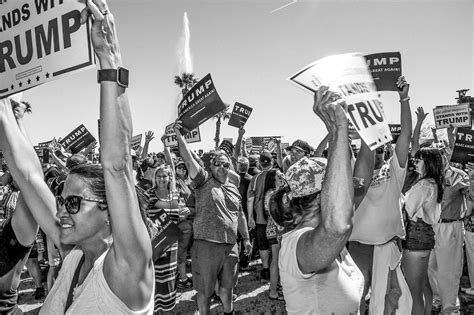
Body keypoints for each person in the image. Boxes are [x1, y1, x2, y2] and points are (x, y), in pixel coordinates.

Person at [0, 1, 155, 313]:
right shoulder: (72, 255)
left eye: (73, 202)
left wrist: (109, 57)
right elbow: (28, 176)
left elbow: (117, 165)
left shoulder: (126, 270)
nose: (60, 210)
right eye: (62, 199)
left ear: (110, 211)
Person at [269, 87, 364, 314]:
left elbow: (363, 179)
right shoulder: (296, 245)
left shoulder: (320, 231)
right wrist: (339, 129)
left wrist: (334, 131)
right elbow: (338, 227)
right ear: (323, 196)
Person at [347, 76, 413, 314]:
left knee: (391, 299)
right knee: (356, 299)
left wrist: (403, 98)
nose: (380, 150)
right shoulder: (356, 167)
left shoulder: (394, 169)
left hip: (388, 246)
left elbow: (405, 135)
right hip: (357, 247)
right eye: (375, 145)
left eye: (384, 146)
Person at [173, 121, 251, 315]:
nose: (222, 167)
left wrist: (247, 238)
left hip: (231, 246)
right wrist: (179, 134)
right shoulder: (203, 179)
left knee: (227, 288)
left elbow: (239, 214)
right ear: (211, 165)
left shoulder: (233, 186)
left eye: (226, 164)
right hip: (206, 246)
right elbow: (188, 158)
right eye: (218, 164)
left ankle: (228, 312)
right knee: (205, 292)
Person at [402, 148, 444, 315]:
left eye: (418, 160)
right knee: (423, 283)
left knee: (414, 288)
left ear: (428, 163)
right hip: (425, 235)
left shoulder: (424, 184)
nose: (415, 163)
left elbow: (407, 210)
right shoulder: (433, 182)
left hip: (415, 235)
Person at [247, 150, 274, 280]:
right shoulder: (279, 175)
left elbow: (250, 199)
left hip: (260, 218)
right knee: (275, 244)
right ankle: (276, 269)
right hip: (276, 219)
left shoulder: (255, 178)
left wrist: (250, 217)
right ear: (272, 162)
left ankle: (266, 269)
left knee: (263, 244)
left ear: (260, 164)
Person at [263, 168, 285, 301]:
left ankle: (278, 286)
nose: (282, 176)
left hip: (273, 228)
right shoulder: (273, 193)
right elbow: (275, 213)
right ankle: (273, 291)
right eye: (279, 176)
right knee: (276, 261)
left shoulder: (272, 192)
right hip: (276, 229)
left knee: (278, 260)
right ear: (273, 179)